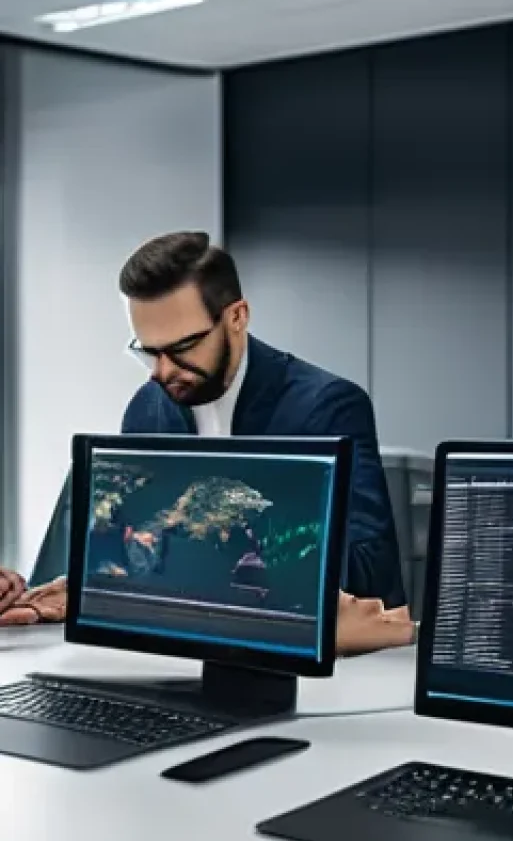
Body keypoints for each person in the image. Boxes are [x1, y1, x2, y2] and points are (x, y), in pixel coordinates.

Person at [0, 232, 412, 654]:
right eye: (149, 351)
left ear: (236, 317)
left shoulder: (326, 406)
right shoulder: (147, 408)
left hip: (304, 664)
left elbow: (368, 571)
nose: (162, 372)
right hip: (175, 655)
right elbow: (132, 551)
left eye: (182, 348)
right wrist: (84, 588)